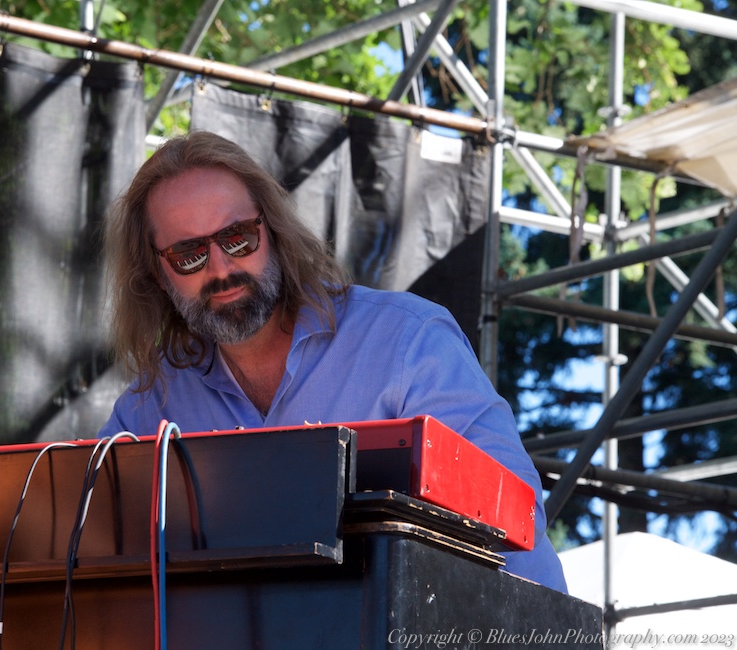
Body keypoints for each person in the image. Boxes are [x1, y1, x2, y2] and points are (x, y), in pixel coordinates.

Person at [97, 130, 567, 593]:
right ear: (158, 276)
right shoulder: (152, 404)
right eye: (188, 255)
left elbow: (513, 511)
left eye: (237, 238)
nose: (221, 269)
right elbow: (86, 549)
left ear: (274, 231)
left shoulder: (405, 339)